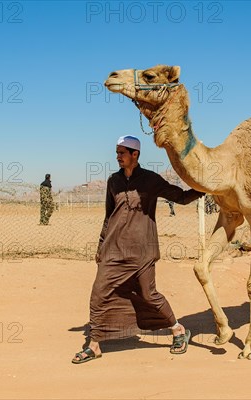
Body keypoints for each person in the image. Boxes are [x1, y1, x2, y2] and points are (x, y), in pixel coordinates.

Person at [72, 135, 204, 364]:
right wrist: (101, 246)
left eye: (122, 153)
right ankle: (94, 345)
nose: (118, 157)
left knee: (148, 294)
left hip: (142, 251)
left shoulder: (151, 180)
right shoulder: (113, 181)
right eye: (117, 153)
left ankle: (178, 330)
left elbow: (180, 197)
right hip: (113, 251)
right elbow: (108, 216)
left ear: (135, 154)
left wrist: (205, 187)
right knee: (99, 294)